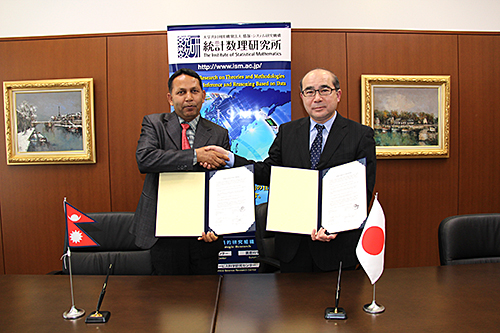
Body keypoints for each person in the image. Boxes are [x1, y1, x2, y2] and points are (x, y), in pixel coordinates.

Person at [208, 68, 376, 272]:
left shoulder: (360, 135)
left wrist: (336, 226)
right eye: (310, 91)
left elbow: (362, 190)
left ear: (338, 95)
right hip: (294, 247)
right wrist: (230, 158)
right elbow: (269, 173)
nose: (317, 98)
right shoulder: (287, 132)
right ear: (302, 97)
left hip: (337, 246)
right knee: (293, 303)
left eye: (324, 90)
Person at [130, 68, 230, 275]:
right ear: (170, 97)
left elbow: (222, 185)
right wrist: (196, 156)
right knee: (167, 300)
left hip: (203, 233)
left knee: (206, 298)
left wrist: (218, 225)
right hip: (163, 231)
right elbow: (145, 159)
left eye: (194, 91)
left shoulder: (219, 134)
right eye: (181, 92)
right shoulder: (154, 124)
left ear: (203, 95)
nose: (189, 98)